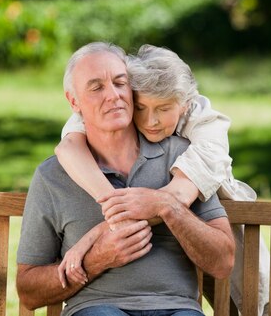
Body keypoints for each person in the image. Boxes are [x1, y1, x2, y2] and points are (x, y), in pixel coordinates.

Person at [55, 44, 271, 316]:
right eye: (141, 107)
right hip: (167, 265)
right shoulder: (119, 106)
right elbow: (68, 146)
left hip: (209, 229)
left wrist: (89, 240)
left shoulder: (205, 129)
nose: (151, 121)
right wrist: (115, 213)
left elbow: (168, 200)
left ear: (185, 104)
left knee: (256, 302)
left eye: (164, 109)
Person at [16, 42, 235, 316]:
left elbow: (223, 261)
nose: (113, 95)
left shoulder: (183, 159)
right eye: (96, 88)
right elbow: (28, 291)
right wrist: (96, 259)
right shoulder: (53, 176)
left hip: (176, 308)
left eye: (120, 83)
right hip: (98, 309)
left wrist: (168, 207)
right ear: (74, 102)